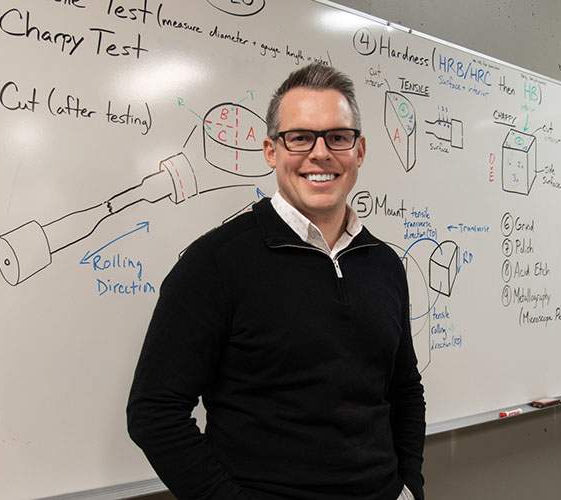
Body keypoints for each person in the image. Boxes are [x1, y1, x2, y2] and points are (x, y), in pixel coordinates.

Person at [127, 63, 426, 500]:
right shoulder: (214, 263)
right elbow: (155, 412)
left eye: (337, 137)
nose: (320, 154)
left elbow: (404, 389)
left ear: (359, 150)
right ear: (271, 151)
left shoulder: (383, 264)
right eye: (300, 137)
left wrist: (410, 485)